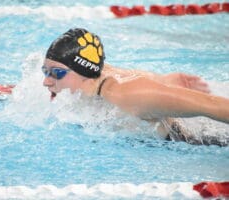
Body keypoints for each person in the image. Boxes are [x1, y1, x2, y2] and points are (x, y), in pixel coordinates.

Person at [42, 28, 229, 144]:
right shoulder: (92, 78)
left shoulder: (127, 95)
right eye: (46, 71)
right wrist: (163, 79)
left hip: (199, 142)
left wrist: (164, 89)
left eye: (57, 73)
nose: (46, 81)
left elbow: (210, 105)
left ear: (85, 72)